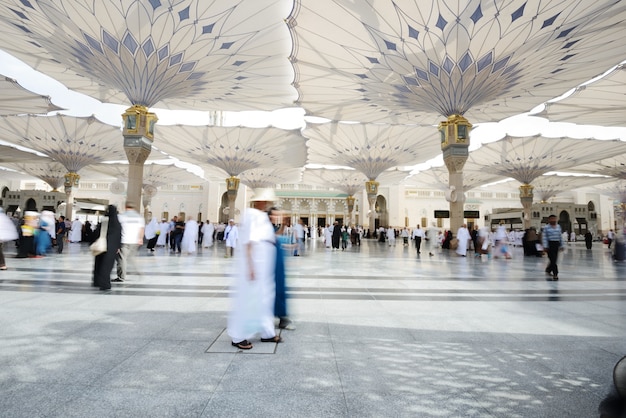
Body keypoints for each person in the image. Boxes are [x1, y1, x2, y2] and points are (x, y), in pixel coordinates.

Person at [228, 188, 282, 350]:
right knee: (249, 299)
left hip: (264, 265)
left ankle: (267, 332)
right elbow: (249, 241)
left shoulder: (261, 216)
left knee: (264, 298)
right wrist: (250, 265)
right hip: (255, 264)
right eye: (264, 201)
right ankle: (238, 336)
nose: (266, 204)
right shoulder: (251, 214)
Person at [92, 205, 122, 290]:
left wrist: (94, 241)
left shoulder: (104, 220)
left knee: (99, 264)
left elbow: (97, 232)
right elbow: (118, 236)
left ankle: (97, 281)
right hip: (111, 248)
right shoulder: (117, 223)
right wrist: (118, 247)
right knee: (107, 265)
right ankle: (105, 284)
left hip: (101, 245)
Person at [114, 202, 145, 283]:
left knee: (122, 259)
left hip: (124, 240)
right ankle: (137, 270)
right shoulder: (139, 217)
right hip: (134, 241)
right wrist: (140, 238)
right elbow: (142, 229)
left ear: (125, 207)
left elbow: (117, 229)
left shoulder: (121, 217)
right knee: (131, 257)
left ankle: (121, 276)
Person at [542, 214, 564, 281]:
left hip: (556, 244)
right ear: (549, 220)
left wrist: (561, 245)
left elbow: (560, 236)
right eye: (552, 219)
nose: (553, 220)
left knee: (554, 259)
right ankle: (555, 274)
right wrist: (545, 246)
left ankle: (548, 269)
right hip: (550, 244)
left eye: (554, 219)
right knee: (553, 260)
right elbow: (544, 237)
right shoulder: (546, 227)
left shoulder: (558, 227)